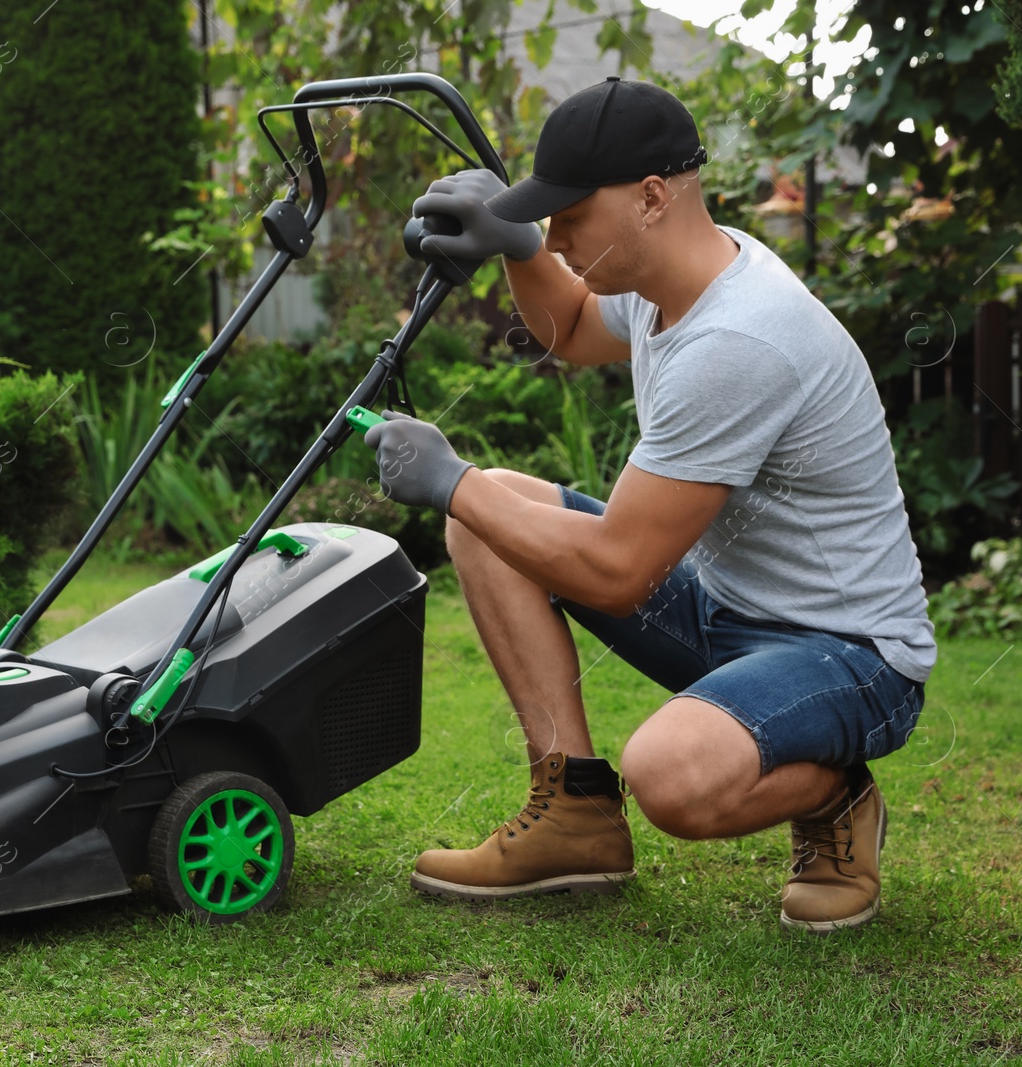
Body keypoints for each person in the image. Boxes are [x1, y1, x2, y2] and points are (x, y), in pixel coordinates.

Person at [361, 76, 933, 933]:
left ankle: (838, 790)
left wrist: (450, 477)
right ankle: (575, 811)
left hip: (851, 654)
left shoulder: (741, 338)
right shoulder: (677, 275)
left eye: (568, 215)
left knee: (669, 772)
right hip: (724, 609)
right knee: (490, 519)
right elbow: (574, 330)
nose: (557, 233)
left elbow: (620, 572)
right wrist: (522, 248)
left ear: (652, 197)